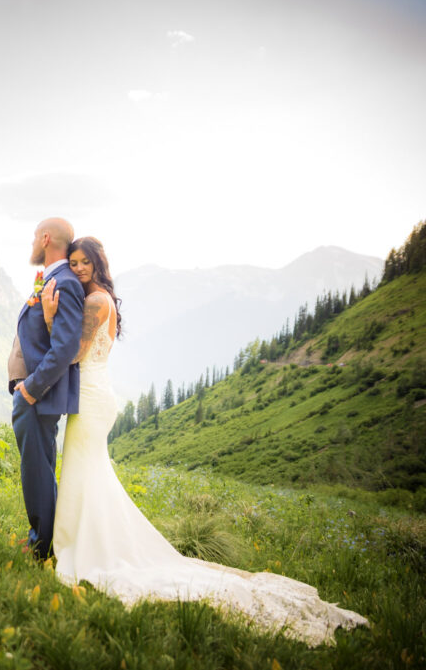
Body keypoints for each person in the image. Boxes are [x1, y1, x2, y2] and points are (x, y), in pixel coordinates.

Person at [41, 236, 368, 646]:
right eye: (72, 262)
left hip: (90, 398)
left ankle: (87, 547)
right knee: (90, 473)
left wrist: (51, 316)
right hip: (97, 394)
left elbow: (74, 353)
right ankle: (87, 539)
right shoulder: (103, 297)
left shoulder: (94, 302)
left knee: (81, 469)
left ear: (98, 264)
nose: (78, 268)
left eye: (84, 262)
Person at [8, 218, 85, 562]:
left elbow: (66, 347)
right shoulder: (52, 279)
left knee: (36, 471)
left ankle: (41, 547)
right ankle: (44, 538)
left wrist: (31, 389)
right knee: (37, 469)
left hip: (39, 395)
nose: (31, 246)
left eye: (32, 239)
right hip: (33, 393)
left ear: (45, 238)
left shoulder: (65, 283)